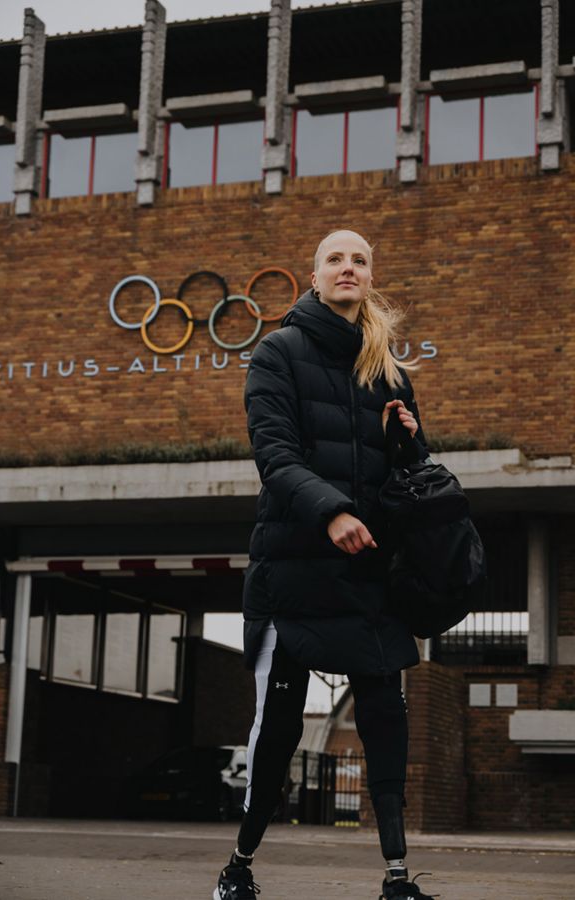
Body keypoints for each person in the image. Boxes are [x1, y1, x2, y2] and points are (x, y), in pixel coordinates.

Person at [213, 230, 437, 900]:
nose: (349, 268)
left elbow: (410, 474)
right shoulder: (277, 352)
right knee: (279, 728)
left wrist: (410, 443)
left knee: (384, 722)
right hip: (296, 565)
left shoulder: (387, 369)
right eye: (336, 259)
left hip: (370, 569)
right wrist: (331, 512)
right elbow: (275, 456)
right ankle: (238, 867)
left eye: (361, 260)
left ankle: (397, 878)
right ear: (314, 278)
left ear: (371, 279)